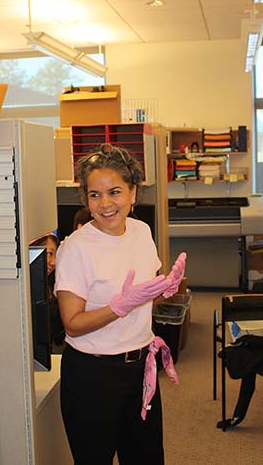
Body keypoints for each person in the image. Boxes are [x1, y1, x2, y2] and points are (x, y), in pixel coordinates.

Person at [55, 143, 186, 465]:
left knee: (147, 457)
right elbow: (72, 322)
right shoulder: (76, 248)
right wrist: (120, 306)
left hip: (141, 364)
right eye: (94, 195)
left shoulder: (141, 231)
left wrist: (165, 288)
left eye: (114, 192)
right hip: (94, 373)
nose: (105, 203)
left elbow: (144, 293)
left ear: (133, 192)